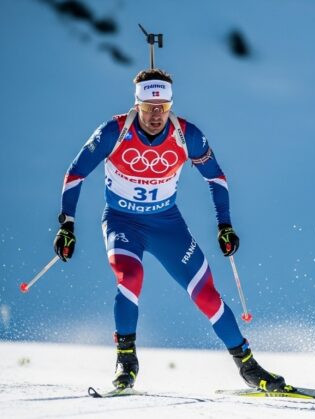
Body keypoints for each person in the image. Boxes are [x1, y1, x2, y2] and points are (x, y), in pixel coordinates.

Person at [53, 68, 287, 392]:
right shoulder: (115, 131)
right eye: (149, 108)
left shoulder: (186, 135)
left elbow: (216, 177)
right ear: (137, 105)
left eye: (162, 107)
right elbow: (76, 173)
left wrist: (225, 226)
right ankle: (126, 361)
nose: (156, 115)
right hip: (123, 223)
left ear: (170, 104)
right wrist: (67, 225)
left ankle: (248, 365)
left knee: (207, 294)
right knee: (130, 277)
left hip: (168, 225)